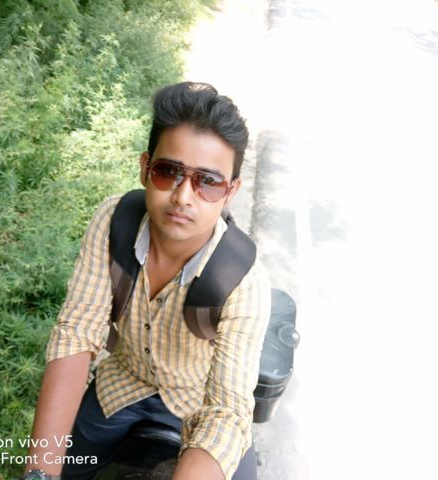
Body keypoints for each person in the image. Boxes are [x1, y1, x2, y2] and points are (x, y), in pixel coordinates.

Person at [22, 82, 271, 480]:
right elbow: (76, 332)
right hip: (121, 384)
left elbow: (226, 409)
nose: (183, 196)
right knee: (65, 469)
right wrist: (40, 472)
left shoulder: (243, 280)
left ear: (230, 192)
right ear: (145, 168)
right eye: (169, 171)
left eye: (208, 182)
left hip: (196, 403)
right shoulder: (114, 222)